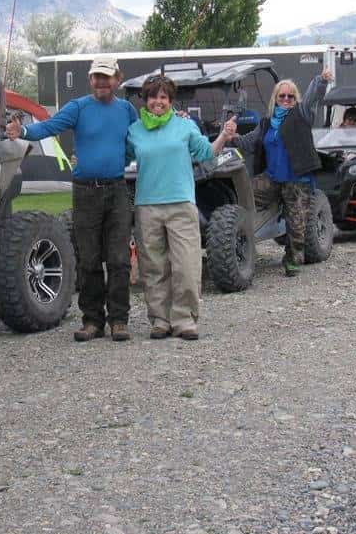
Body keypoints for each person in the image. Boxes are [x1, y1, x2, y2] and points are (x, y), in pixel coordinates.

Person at [9, 56, 137, 342]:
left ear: (117, 78)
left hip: (117, 190)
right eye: (96, 77)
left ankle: (119, 320)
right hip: (84, 191)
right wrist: (24, 131)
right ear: (90, 80)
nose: (101, 82)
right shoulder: (78, 107)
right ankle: (92, 321)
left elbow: (137, 142)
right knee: (89, 259)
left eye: (107, 76)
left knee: (118, 260)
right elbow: (50, 126)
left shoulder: (127, 110)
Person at [126, 74, 232, 340]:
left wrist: (223, 136)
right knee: (154, 267)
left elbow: (206, 152)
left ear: (170, 100)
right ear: (146, 100)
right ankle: (160, 320)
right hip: (147, 206)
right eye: (153, 97)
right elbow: (118, 156)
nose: (158, 102)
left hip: (181, 204)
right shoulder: (135, 131)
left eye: (163, 97)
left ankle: (184, 319)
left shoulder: (185, 126)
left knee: (186, 264)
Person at [230, 69, 332, 276]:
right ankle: (239, 237)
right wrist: (231, 138)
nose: (286, 99)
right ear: (275, 99)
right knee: (242, 194)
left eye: (290, 96)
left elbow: (314, 96)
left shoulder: (302, 114)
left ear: (296, 99)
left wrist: (321, 81)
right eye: (282, 96)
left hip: (298, 180)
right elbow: (249, 142)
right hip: (272, 178)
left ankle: (293, 259)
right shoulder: (266, 123)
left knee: (296, 227)